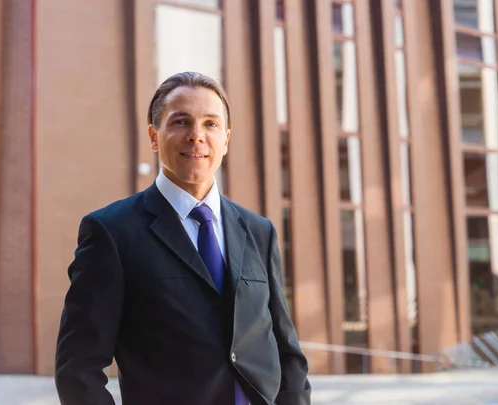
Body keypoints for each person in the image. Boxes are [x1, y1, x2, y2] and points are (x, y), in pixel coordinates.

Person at [54, 72, 311, 405]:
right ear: (153, 135)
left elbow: (285, 348)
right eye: (181, 122)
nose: (196, 136)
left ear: (227, 139)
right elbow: (77, 368)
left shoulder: (259, 231)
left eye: (210, 124)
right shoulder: (111, 233)